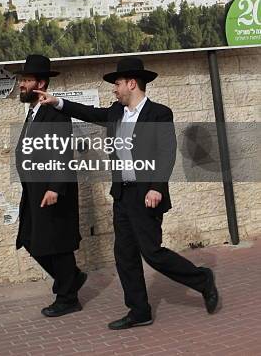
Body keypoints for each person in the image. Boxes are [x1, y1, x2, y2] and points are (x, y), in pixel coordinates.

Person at [35, 56, 219, 329]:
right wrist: (56, 101)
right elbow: (88, 112)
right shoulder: (115, 113)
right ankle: (139, 311)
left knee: (152, 252)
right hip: (123, 195)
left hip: (147, 195)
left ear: (132, 84)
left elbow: (166, 153)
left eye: (117, 83)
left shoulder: (159, 113)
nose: (114, 89)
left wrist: (156, 187)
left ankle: (202, 279)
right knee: (125, 257)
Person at [12, 54, 86, 317]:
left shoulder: (55, 112)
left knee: (58, 244)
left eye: (27, 80)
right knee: (30, 239)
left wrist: (55, 187)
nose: (22, 84)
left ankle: (68, 298)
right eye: (22, 79)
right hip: (34, 190)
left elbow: (62, 151)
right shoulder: (33, 112)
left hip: (52, 189)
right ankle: (72, 278)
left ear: (41, 84)